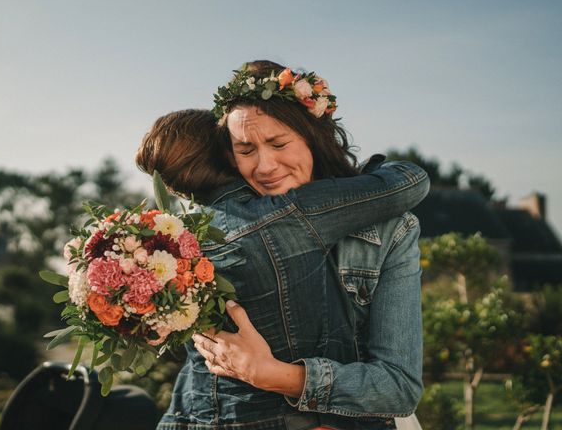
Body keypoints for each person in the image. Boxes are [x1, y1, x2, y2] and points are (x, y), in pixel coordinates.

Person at [136, 63, 428, 430]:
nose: (265, 166)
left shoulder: (389, 231)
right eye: (245, 149)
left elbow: (398, 388)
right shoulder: (200, 235)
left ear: (314, 137)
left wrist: (273, 375)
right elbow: (197, 382)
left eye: (278, 143)